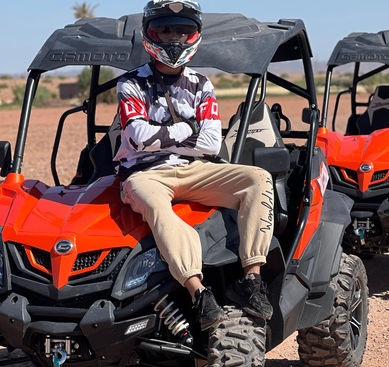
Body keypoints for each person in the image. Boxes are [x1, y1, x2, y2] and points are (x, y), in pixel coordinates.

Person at [114, 0, 274, 330]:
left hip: (193, 169)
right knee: (158, 208)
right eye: (165, 29)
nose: (174, 37)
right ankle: (199, 292)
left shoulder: (202, 84)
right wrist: (190, 129)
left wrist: (166, 135)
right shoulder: (131, 83)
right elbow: (138, 137)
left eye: (183, 29)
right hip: (145, 173)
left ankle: (251, 278)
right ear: (149, 34)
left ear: (195, 35)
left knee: (258, 179)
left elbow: (212, 143)